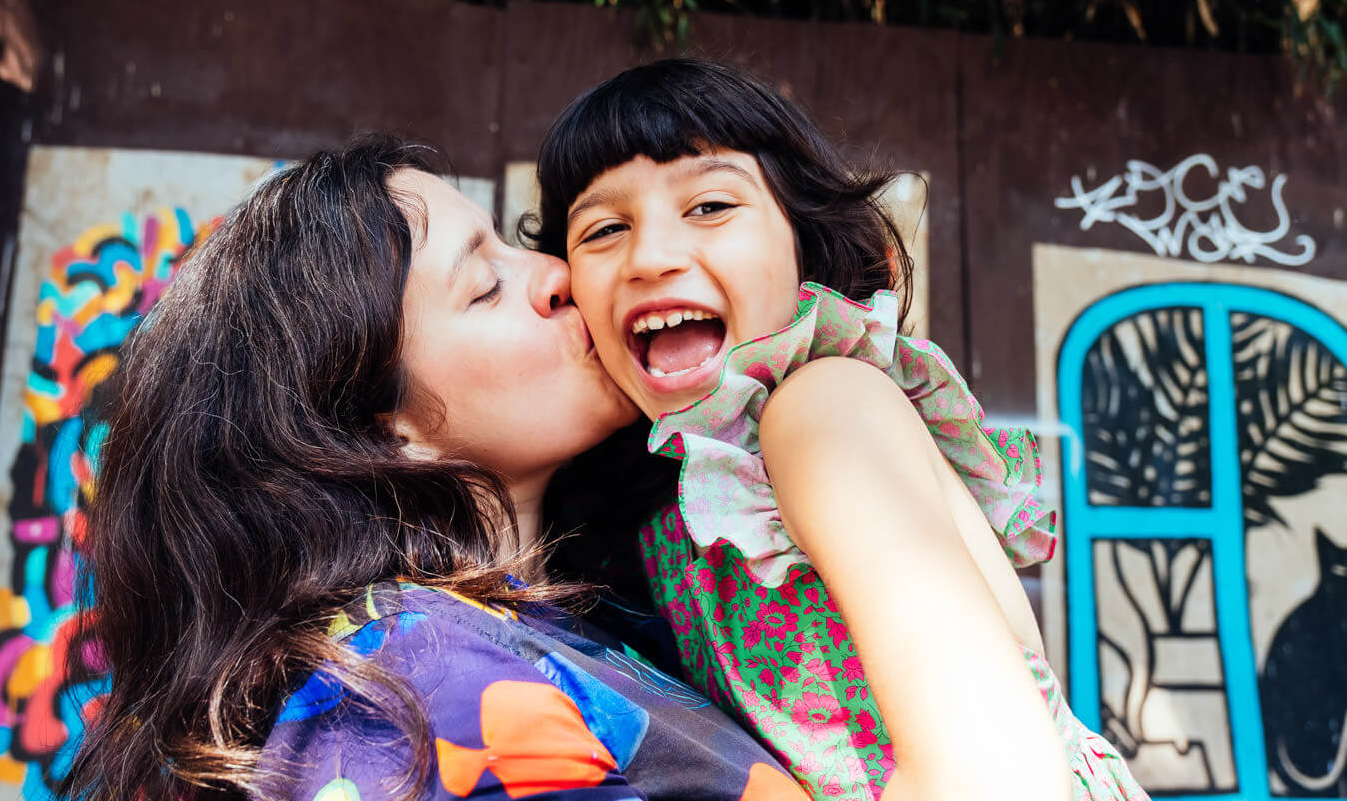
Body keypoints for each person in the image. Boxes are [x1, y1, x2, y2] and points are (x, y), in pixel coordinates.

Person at [60, 135, 814, 801]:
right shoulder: (411, 701)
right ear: (376, 433)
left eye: (511, 245)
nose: (557, 276)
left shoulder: (586, 612)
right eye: (485, 286)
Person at [533, 59, 1150, 801]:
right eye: (604, 228)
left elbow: (1000, 781)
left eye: (710, 206)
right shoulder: (668, 502)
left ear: (804, 241)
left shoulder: (822, 407)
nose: (652, 257)